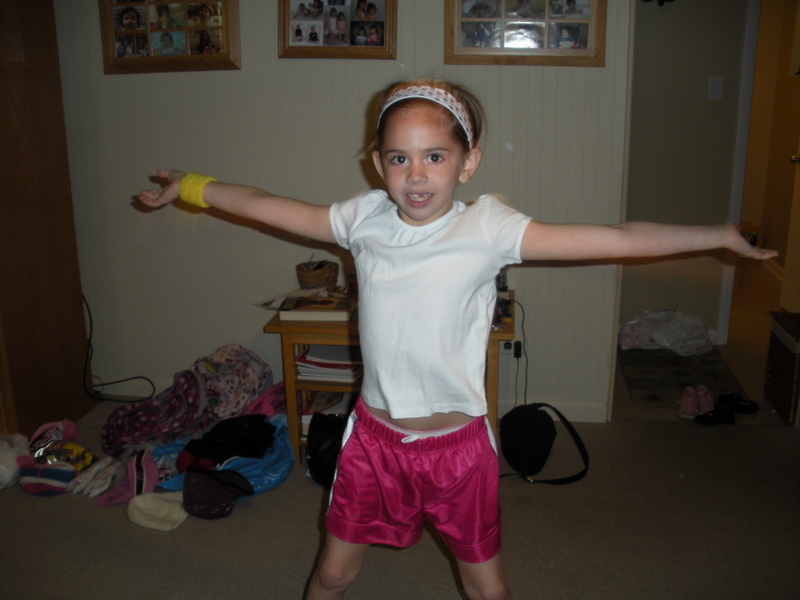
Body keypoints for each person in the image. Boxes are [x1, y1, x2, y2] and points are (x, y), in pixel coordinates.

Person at [137, 79, 777, 600]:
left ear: (468, 162)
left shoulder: (489, 229)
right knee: (332, 575)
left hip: (458, 451)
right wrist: (191, 186)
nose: (415, 175)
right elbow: (266, 204)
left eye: (435, 157)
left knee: (487, 586)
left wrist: (717, 235)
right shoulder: (363, 218)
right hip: (375, 444)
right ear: (378, 163)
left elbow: (617, 237)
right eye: (399, 158)